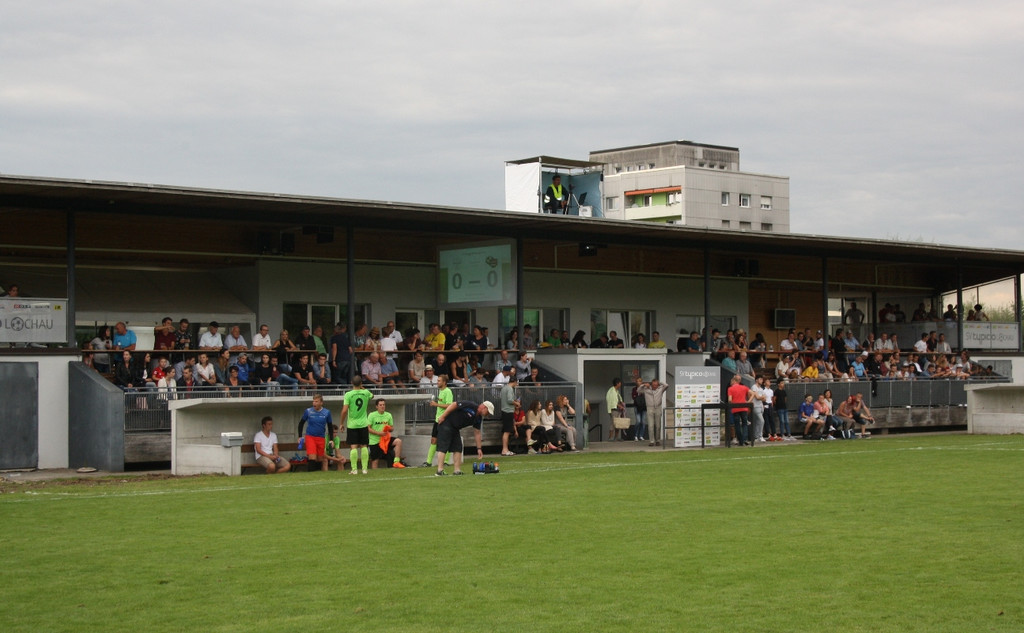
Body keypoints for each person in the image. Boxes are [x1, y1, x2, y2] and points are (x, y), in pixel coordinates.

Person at [434, 400, 493, 475]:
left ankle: (457, 470)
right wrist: (443, 416)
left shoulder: (478, 418)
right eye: (488, 412)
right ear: (484, 407)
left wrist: (479, 449)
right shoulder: (470, 405)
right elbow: (454, 404)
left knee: (458, 447)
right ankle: (440, 470)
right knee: (443, 447)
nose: (487, 415)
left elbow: (477, 433)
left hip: (455, 428)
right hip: (446, 423)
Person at [340, 376, 374, 475]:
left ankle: (354, 469)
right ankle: (364, 469)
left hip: (352, 424)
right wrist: (363, 389)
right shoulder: (366, 393)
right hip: (363, 423)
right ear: (361, 383)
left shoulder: (348, 395)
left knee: (353, 446)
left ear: (351, 383)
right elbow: (372, 396)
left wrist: (341, 423)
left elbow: (345, 410)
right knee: (364, 446)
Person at [367, 398, 406, 469]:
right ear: (376, 406)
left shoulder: (388, 415)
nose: (382, 406)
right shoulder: (372, 415)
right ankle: (375, 475)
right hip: (375, 441)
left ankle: (397, 461)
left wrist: (390, 429)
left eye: (384, 405)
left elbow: (392, 428)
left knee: (398, 441)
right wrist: (379, 433)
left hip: (386, 440)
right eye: (380, 405)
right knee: (375, 461)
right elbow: (368, 428)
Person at [298, 394, 332, 472]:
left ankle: (317, 474)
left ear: (321, 403)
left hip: (321, 437)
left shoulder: (327, 413)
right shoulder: (308, 411)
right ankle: (310, 474)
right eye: (313, 401)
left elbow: (330, 426)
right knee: (312, 457)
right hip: (310, 436)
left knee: (320, 458)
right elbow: (301, 423)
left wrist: (331, 439)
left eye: (316, 401)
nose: (314, 403)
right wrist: (300, 436)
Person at [425, 374, 453, 467]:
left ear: (444, 382)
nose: (437, 382)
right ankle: (428, 462)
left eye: (439, 381)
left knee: (445, 440)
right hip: (437, 419)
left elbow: (449, 405)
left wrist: (436, 404)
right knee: (433, 440)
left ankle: (446, 461)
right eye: (437, 381)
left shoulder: (448, 391)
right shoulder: (440, 391)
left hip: (445, 419)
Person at [636, 377, 668, 447]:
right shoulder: (646, 389)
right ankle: (651, 441)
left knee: (658, 426)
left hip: (658, 408)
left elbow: (666, 385)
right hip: (650, 408)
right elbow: (638, 390)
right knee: (650, 426)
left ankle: (657, 440)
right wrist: (643, 385)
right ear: (651, 384)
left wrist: (660, 383)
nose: (655, 387)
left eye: (656, 385)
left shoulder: (660, 389)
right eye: (653, 385)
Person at [726, 375, 752, 447]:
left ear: (734, 381)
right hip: (743, 408)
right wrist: (748, 401)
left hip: (735, 408)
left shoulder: (730, 389)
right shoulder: (744, 387)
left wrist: (731, 403)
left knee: (737, 424)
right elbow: (752, 393)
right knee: (744, 423)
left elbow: (730, 400)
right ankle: (744, 439)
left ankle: (740, 440)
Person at [499, 375, 520, 456]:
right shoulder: (510, 389)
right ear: (514, 382)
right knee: (507, 431)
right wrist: (516, 403)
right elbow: (510, 400)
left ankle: (505, 449)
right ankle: (504, 450)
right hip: (508, 411)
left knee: (505, 431)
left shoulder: (504, 388)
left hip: (504, 410)